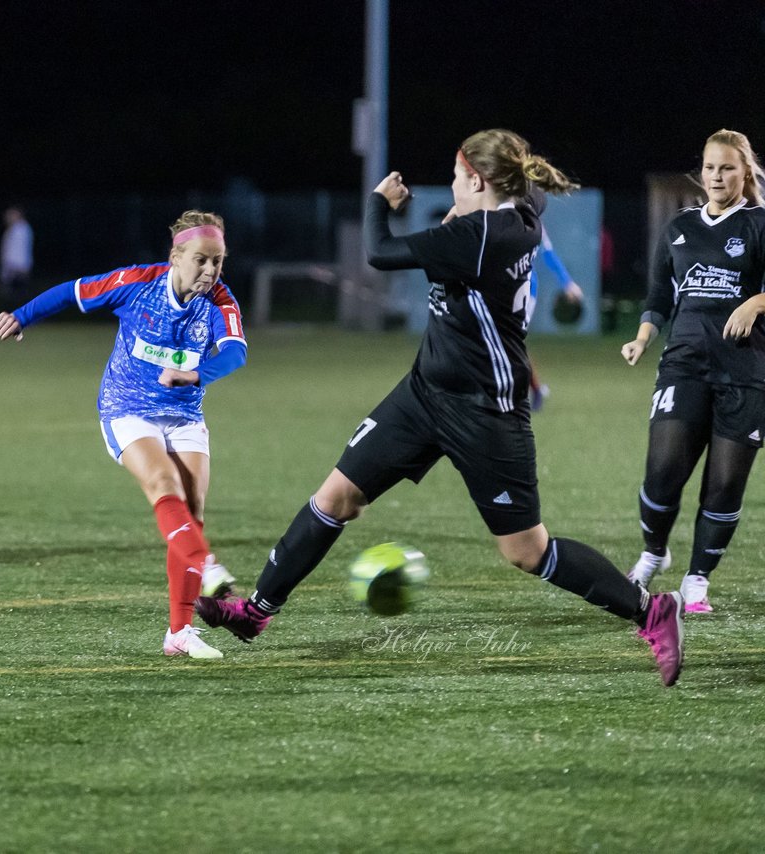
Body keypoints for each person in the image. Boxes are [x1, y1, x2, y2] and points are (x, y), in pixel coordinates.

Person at [197, 130, 685, 686]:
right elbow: (522, 194)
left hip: (487, 413)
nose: (451, 186)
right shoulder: (518, 209)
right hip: (426, 391)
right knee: (336, 496)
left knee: (527, 551)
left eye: (457, 177)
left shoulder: (481, 236)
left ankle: (651, 611)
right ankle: (255, 611)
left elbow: (380, 253)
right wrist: (465, 202)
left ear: (477, 180)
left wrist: (380, 202)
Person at [0, 210, 248, 659]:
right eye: (201, 260)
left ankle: (179, 633)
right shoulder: (137, 283)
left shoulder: (221, 302)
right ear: (175, 256)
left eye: (218, 262)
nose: (210, 271)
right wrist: (23, 315)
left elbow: (235, 354)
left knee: (193, 509)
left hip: (184, 412)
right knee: (163, 484)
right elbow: (71, 293)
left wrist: (196, 374)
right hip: (126, 408)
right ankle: (205, 562)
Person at [621, 128, 765, 614]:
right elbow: (660, 293)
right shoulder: (681, 227)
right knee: (662, 471)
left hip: (746, 373)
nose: (717, 176)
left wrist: (757, 303)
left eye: (727, 167)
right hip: (683, 365)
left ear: (745, 171)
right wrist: (642, 336)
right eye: (709, 167)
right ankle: (652, 553)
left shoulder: (760, 223)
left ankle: (698, 579)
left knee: (724, 485)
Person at [527, 219, 585, 411]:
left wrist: (566, 281)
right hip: (496, 286)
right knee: (502, 341)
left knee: (509, 341)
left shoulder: (529, 216)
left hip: (524, 287)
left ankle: (533, 389)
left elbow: (547, 252)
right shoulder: (490, 206)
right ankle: (534, 389)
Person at [0, 206, 33, 301]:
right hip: (12, 269)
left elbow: (20, 251)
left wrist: (19, 268)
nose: (7, 217)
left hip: (17, 270)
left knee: (17, 297)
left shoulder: (21, 229)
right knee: (9, 297)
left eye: (11, 214)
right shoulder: (12, 229)